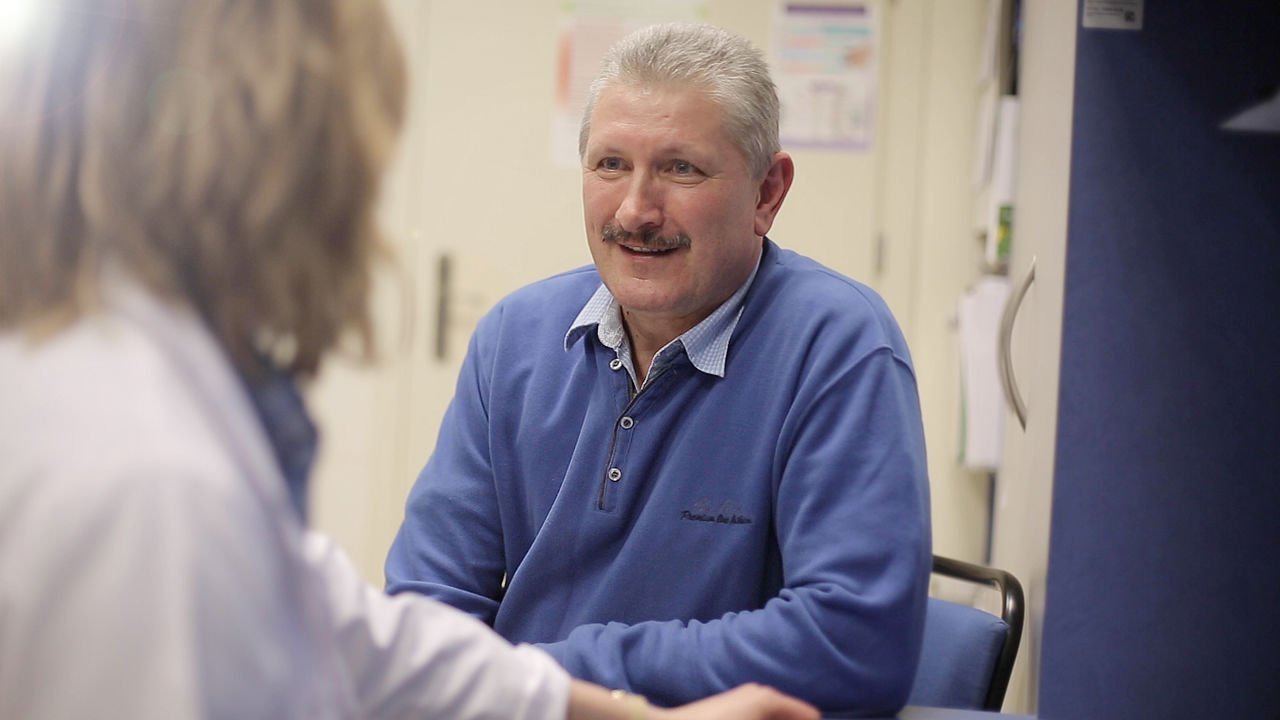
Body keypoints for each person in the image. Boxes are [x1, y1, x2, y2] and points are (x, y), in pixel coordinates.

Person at [0, 3, 820, 719]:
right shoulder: (154, 480)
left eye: (680, 168)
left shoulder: (111, 386)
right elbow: (410, 604)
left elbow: (346, 633)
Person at [385, 22, 932, 717]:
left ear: (767, 193)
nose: (635, 211)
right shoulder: (513, 340)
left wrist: (553, 676)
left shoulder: (837, 347)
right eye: (610, 164)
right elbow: (427, 614)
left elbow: (854, 644)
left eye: (681, 169)